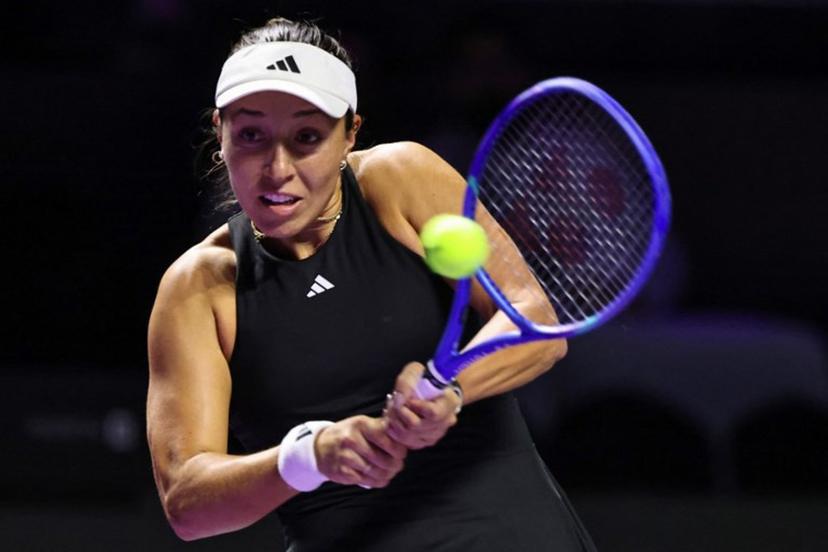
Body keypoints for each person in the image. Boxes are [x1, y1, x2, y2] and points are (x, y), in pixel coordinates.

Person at [147, 17, 596, 551]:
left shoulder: (400, 179)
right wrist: (308, 456)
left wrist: (450, 390)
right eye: (251, 136)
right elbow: (188, 503)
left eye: (307, 137)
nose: (277, 168)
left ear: (350, 134)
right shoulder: (196, 288)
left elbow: (537, 320)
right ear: (219, 134)